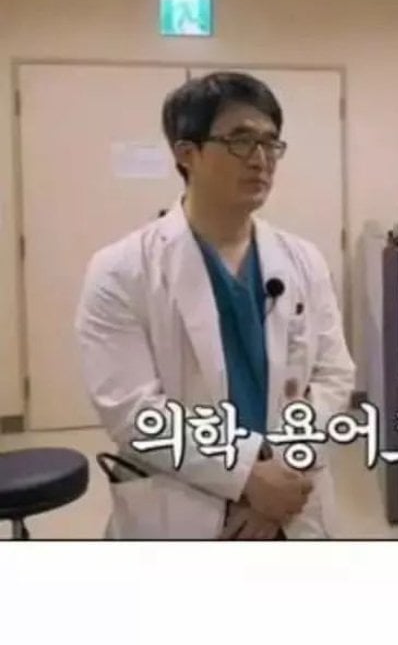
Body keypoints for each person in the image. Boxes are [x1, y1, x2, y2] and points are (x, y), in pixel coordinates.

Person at [75, 71, 356, 539]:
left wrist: (280, 479)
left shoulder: (303, 260)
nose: (261, 159)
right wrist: (247, 476)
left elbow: (334, 375)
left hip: (292, 501)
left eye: (271, 142)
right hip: (185, 509)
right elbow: (131, 412)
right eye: (241, 140)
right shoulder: (120, 271)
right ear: (187, 153)